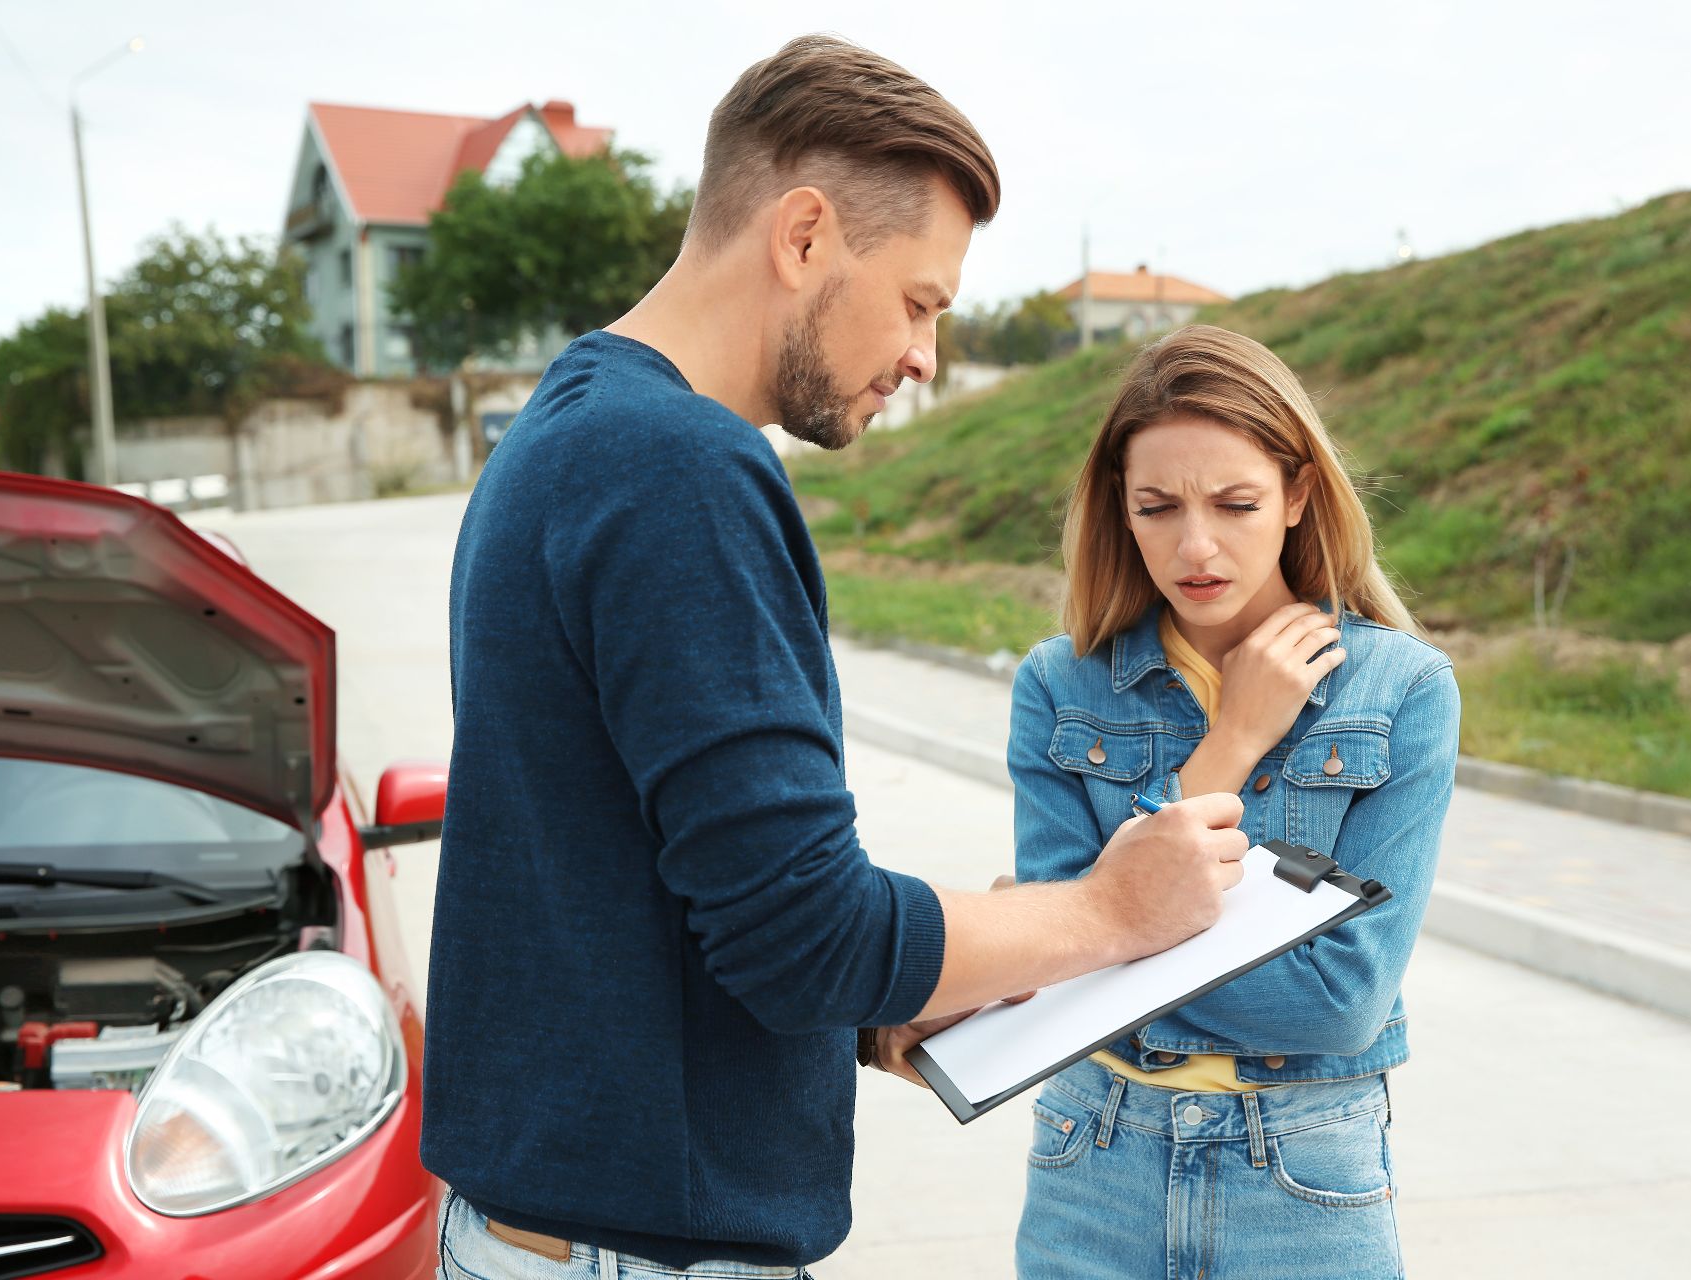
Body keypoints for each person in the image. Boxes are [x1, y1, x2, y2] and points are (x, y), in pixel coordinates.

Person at [421, 37, 1248, 1280]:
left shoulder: (565, 431)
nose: (925, 358)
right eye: (920, 301)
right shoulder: (683, 469)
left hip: (554, 1236)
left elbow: (653, 880)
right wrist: (1105, 912)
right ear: (804, 236)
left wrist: (871, 1007)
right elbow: (804, 927)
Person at [1008, 325, 1461, 1279]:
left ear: (1298, 494)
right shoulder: (1061, 685)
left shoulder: (1403, 690)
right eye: (1158, 507)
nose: (1196, 545)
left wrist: (1101, 938)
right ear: (1120, 513)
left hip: (1303, 1173)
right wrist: (1234, 741)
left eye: (1236, 502)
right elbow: (1054, 972)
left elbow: (1342, 1003)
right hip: (1095, 1160)